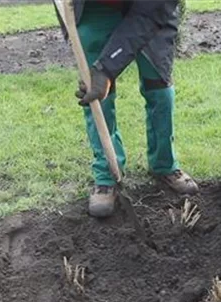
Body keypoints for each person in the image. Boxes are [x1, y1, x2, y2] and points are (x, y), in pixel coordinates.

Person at [54, 0, 199, 218]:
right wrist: (100, 73)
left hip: (151, 8)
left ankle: (164, 164)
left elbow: (150, 14)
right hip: (95, 7)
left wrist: (107, 68)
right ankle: (106, 175)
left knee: (159, 86)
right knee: (96, 91)